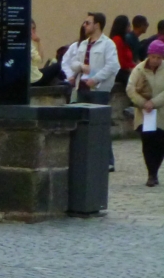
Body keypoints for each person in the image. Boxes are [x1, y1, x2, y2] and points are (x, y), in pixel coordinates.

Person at [126, 39, 164, 187]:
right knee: (148, 142)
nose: (155, 60)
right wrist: (143, 103)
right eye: (153, 57)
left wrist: (154, 103)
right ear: (149, 55)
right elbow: (130, 89)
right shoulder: (139, 69)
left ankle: (155, 170)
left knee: (160, 143)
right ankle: (151, 174)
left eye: (159, 57)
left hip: (161, 112)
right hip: (145, 113)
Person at [65, 12, 120, 99]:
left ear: (97, 25)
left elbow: (112, 66)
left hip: (99, 90)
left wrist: (95, 79)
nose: (84, 25)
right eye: (84, 22)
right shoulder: (83, 44)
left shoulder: (108, 44)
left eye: (87, 23)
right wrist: (81, 66)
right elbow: (73, 63)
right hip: (81, 88)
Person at [29, 19, 63, 86]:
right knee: (57, 66)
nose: (33, 31)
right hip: (34, 80)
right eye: (32, 28)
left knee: (47, 68)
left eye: (34, 28)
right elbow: (40, 59)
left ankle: (55, 82)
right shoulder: (29, 44)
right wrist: (38, 41)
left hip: (29, 76)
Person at [108, 14, 136, 86]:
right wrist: (132, 69)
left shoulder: (124, 40)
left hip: (127, 69)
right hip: (121, 72)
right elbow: (120, 60)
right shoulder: (117, 40)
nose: (130, 28)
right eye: (128, 25)